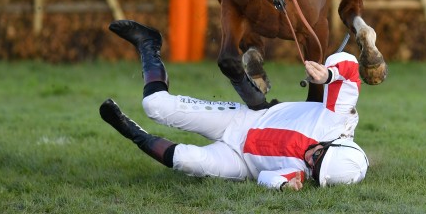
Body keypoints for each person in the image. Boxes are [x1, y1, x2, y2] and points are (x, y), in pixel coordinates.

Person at [99, 20, 370, 190]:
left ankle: (130, 131)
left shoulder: (304, 172)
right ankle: (148, 43)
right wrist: (328, 75)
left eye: (316, 171)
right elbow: (350, 68)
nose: (311, 162)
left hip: (239, 161)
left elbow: (264, 178)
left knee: (188, 161)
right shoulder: (338, 120)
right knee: (154, 106)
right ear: (336, 143)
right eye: (319, 157)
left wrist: (283, 185)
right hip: (246, 119)